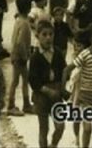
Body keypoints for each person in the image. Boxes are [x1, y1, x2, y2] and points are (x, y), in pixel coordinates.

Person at [28, 20, 66, 148]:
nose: (48, 37)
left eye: (51, 34)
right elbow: (33, 80)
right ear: (37, 36)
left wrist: (63, 87)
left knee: (60, 126)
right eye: (44, 34)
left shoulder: (58, 53)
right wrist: (47, 90)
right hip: (42, 95)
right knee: (44, 129)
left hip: (56, 94)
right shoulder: (35, 57)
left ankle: (53, 144)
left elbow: (64, 71)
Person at [7, 0, 34, 116]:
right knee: (16, 80)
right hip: (20, 56)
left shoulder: (19, 20)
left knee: (23, 79)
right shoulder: (24, 23)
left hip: (17, 54)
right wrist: (24, 56)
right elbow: (20, 42)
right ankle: (11, 105)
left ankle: (26, 104)